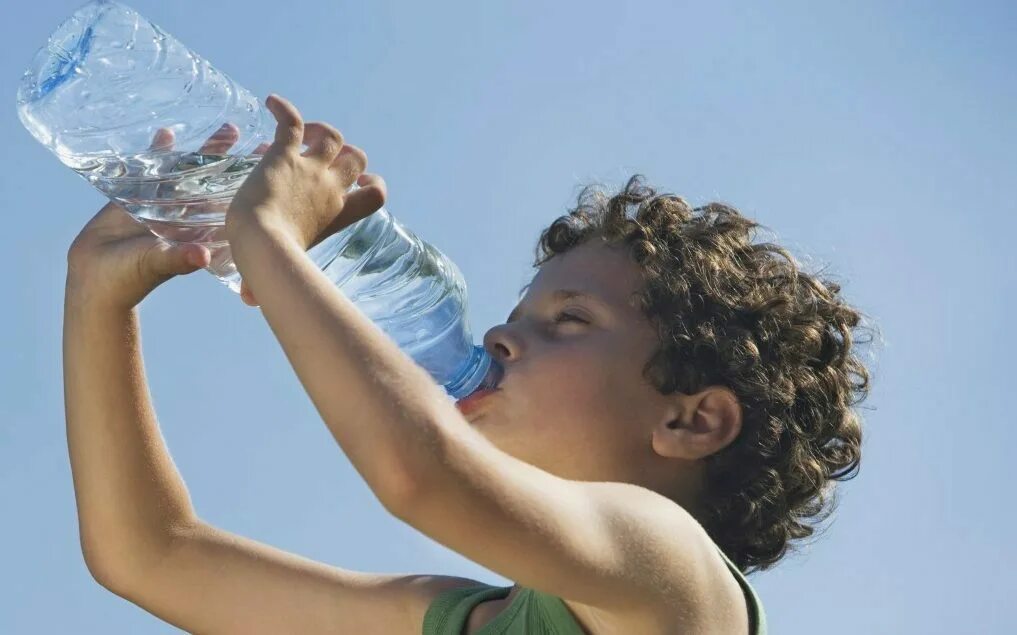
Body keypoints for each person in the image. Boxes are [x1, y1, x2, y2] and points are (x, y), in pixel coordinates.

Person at [63, 94, 873, 634]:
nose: (498, 337)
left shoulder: (671, 574)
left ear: (690, 418)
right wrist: (98, 301)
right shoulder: (462, 618)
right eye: (517, 316)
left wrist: (270, 239)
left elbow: (418, 473)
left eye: (569, 320)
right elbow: (150, 555)